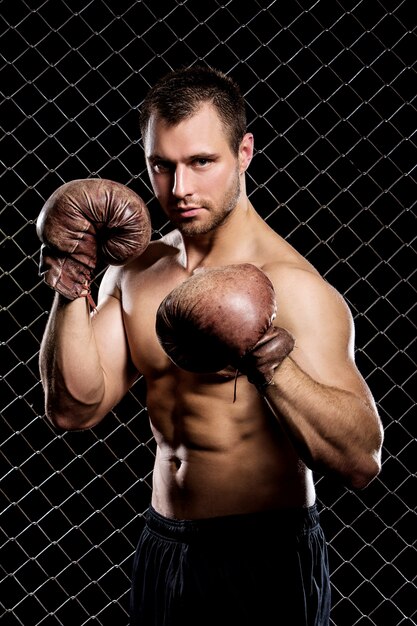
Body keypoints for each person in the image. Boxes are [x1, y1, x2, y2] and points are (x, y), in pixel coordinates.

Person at [38, 66, 384, 626]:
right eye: (162, 166)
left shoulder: (291, 285)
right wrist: (72, 277)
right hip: (162, 541)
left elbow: (361, 460)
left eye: (201, 162)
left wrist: (266, 354)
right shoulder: (137, 271)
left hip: (264, 552)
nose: (179, 190)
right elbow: (74, 409)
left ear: (244, 152)